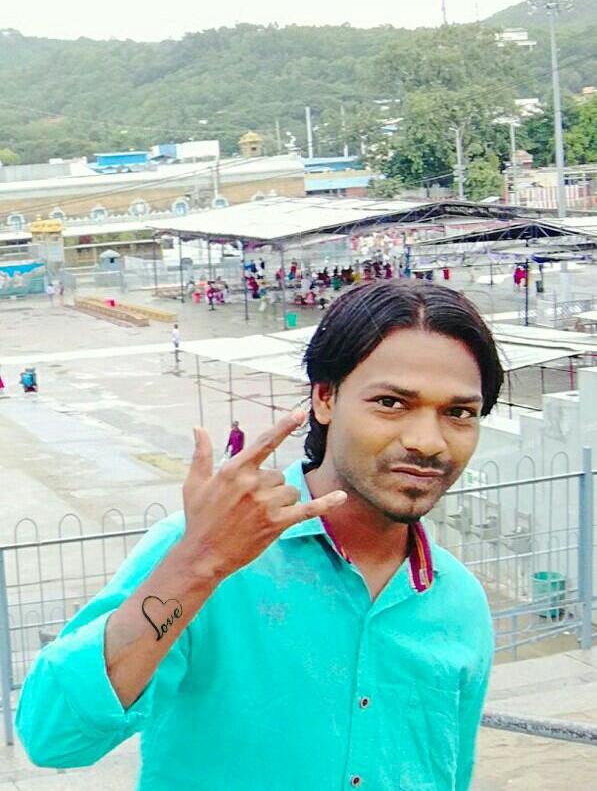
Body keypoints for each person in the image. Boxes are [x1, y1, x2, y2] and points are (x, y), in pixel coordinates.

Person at [17, 280, 503, 791]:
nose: (427, 442)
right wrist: (198, 565)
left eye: (458, 413)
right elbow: (55, 736)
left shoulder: (459, 602)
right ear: (325, 397)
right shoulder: (209, 551)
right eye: (390, 402)